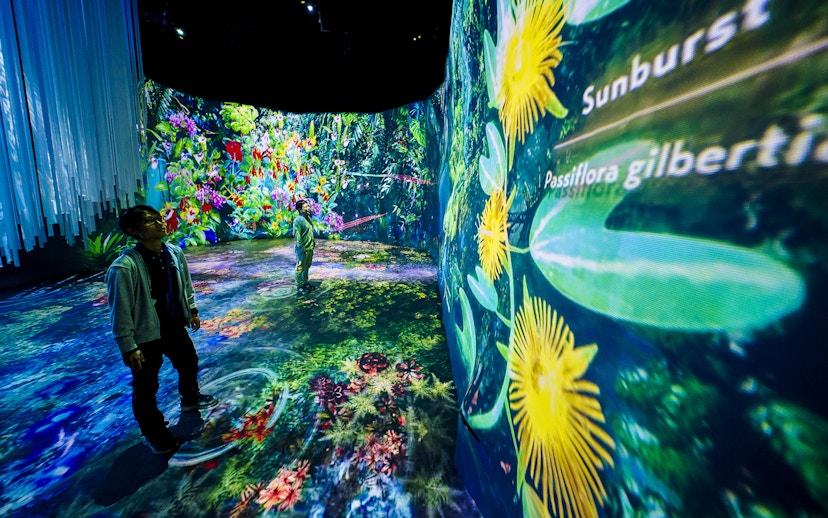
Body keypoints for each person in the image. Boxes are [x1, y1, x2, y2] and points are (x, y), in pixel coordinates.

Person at [105, 205, 217, 455]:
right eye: (149, 221)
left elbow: (185, 285)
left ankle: (189, 399)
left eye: (159, 218)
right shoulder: (124, 268)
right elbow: (120, 311)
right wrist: (128, 346)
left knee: (188, 362)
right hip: (145, 336)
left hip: (174, 326)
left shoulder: (174, 253)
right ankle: (153, 433)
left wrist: (192, 310)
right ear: (134, 230)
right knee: (146, 387)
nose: (159, 223)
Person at [294, 199, 316, 295]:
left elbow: (309, 232)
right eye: (305, 207)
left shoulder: (308, 218)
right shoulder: (298, 220)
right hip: (302, 249)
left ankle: (305, 282)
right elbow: (297, 235)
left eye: (307, 206)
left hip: (309, 247)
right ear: (299, 209)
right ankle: (299, 286)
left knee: (307, 266)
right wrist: (300, 247)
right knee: (300, 267)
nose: (307, 208)